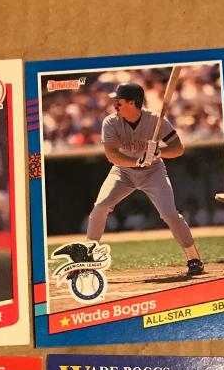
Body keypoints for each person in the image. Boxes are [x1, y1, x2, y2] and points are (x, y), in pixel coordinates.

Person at [85, 81, 206, 277]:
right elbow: (112, 155)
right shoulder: (111, 121)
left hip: (153, 172)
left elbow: (178, 148)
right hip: (122, 172)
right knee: (100, 206)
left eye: (119, 102)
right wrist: (136, 161)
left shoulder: (155, 120)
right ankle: (88, 258)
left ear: (132, 103)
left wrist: (159, 151)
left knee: (169, 214)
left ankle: (194, 258)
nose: (115, 105)